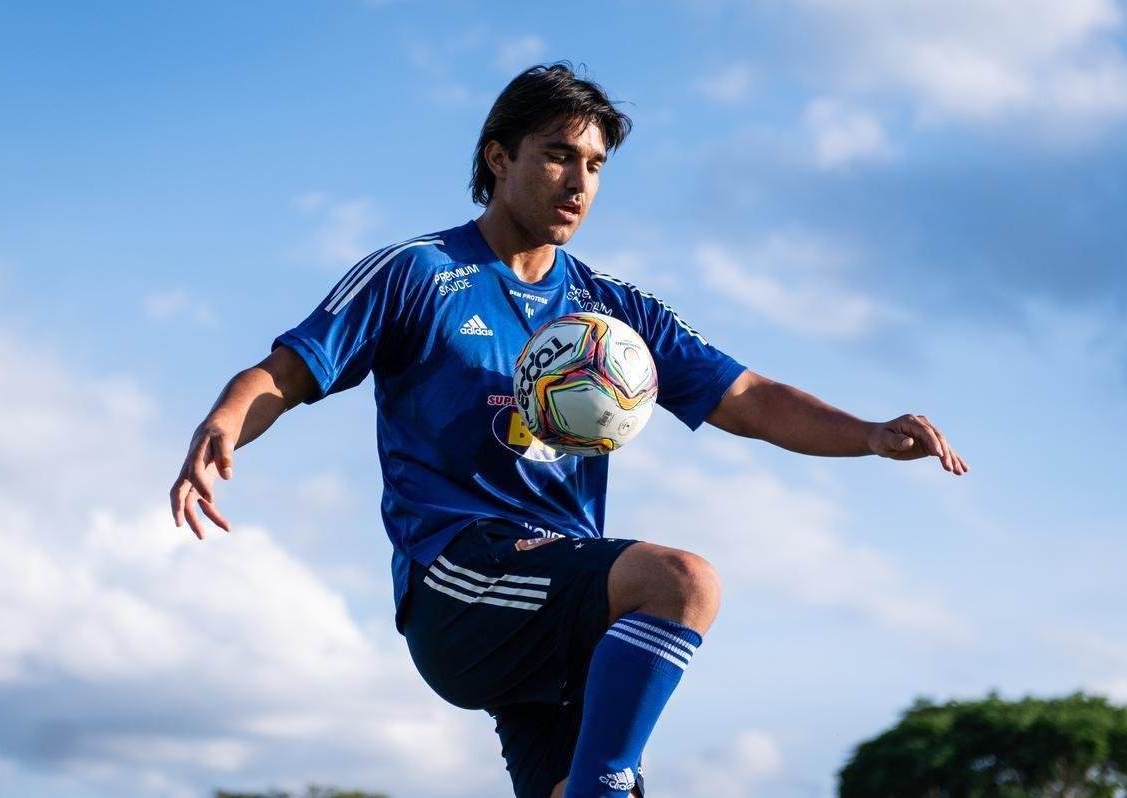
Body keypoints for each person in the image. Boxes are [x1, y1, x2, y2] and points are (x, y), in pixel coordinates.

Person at [170, 63, 967, 798]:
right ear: (496, 158)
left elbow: (748, 395)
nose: (578, 182)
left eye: (594, 166)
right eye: (557, 156)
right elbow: (285, 371)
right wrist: (226, 421)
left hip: (565, 603)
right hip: (458, 578)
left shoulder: (613, 310)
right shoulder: (418, 273)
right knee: (681, 583)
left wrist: (866, 434)